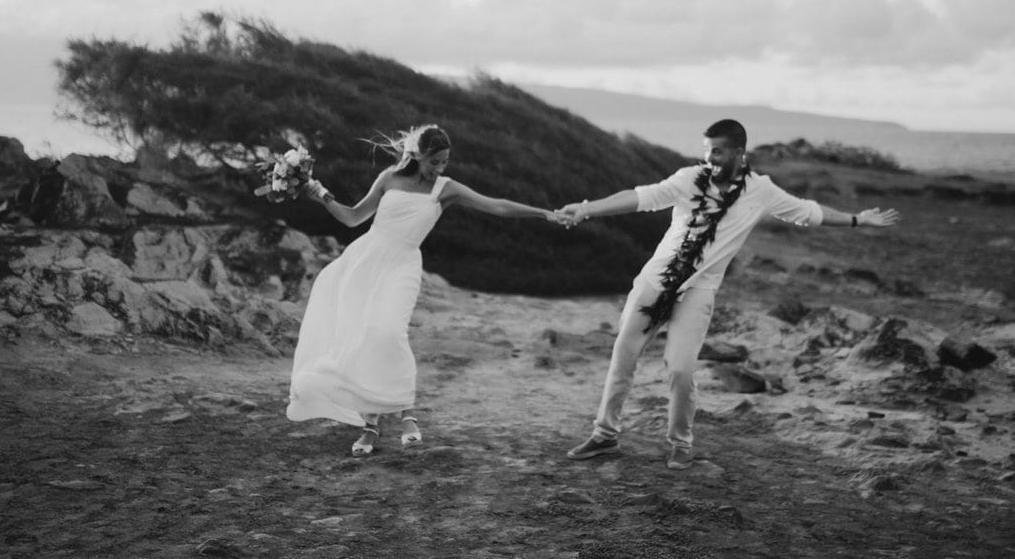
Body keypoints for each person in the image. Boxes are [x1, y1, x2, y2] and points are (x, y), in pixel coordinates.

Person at [559, 119, 900, 470]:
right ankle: (604, 435)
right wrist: (587, 209)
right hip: (655, 281)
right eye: (707, 151)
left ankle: (680, 443)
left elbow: (808, 212)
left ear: (740, 152)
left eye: (718, 151)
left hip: (699, 291)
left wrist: (858, 220)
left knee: (680, 369)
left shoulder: (761, 190)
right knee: (623, 355)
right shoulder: (689, 179)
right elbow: (639, 197)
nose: (711, 159)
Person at [288, 124, 568, 455]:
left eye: (444, 162)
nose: (439, 169)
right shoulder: (388, 179)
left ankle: (407, 413)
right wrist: (319, 193)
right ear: (418, 155)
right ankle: (371, 426)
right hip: (366, 261)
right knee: (365, 336)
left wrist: (544, 214)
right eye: (434, 162)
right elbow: (352, 218)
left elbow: (497, 205)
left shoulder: (446, 189)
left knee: (389, 332)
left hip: (404, 264)